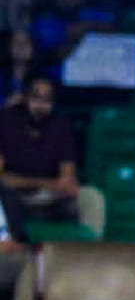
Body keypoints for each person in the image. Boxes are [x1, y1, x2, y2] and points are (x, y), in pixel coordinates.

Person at [0, 77, 80, 222]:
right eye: (36, 97)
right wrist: (42, 183)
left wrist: (54, 187)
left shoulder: (61, 126)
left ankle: (78, 244)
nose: (41, 104)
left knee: (92, 198)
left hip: (48, 196)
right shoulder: (6, 122)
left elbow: (67, 179)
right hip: (12, 195)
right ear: (24, 98)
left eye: (47, 99)